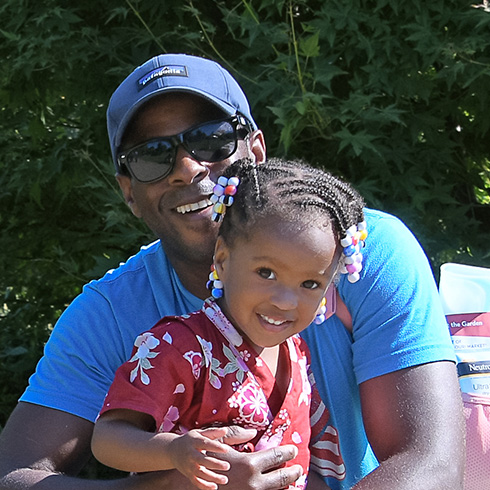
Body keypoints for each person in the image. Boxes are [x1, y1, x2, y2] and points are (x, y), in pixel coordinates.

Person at [0, 53, 464, 490]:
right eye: (151, 154)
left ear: (256, 151)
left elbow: (433, 463)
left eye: (212, 137)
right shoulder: (110, 315)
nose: (186, 167)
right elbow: (12, 476)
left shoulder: (358, 252)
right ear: (128, 192)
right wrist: (178, 480)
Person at [92, 158, 366, 490]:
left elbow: (299, 466)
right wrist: (176, 452)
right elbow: (107, 439)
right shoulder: (178, 346)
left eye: (310, 284)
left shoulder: (296, 352)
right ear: (222, 259)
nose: (285, 301)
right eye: (266, 273)